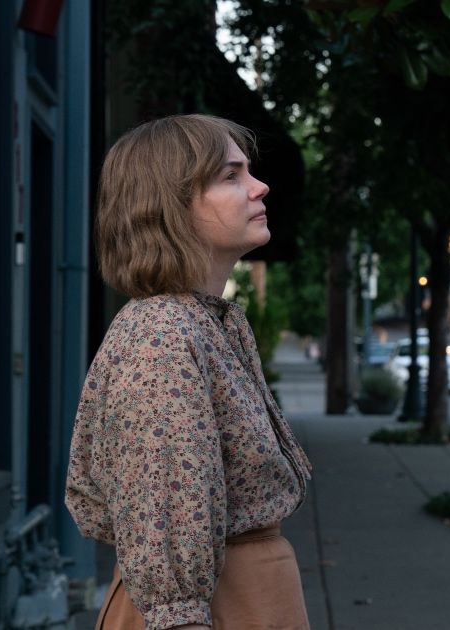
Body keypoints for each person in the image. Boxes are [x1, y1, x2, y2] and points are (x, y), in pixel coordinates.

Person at [65, 114, 313, 630]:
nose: (259, 186)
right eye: (230, 176)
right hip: (221, 608)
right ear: (170, 206)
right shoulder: (164, 337)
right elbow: (165, 544)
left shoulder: (198, 323)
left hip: (243, 598)